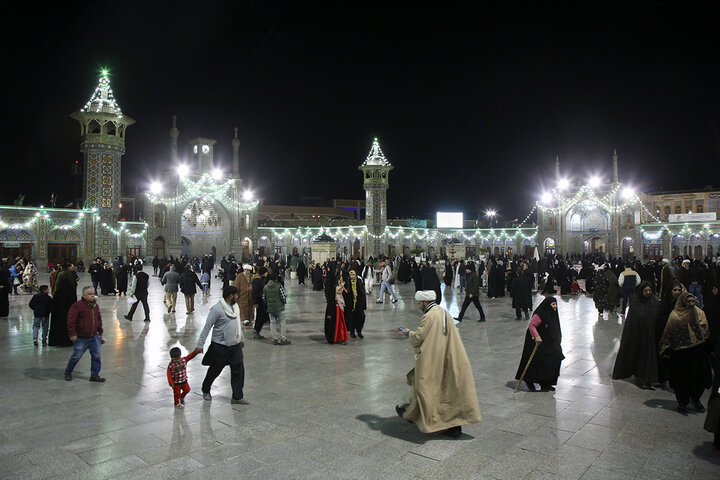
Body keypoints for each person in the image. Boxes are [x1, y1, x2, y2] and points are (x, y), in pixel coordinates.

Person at [396, 290, 482, 437]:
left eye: (419, 303)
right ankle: (454, 427)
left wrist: (408, 332)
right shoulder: (443, 312)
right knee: (449, 391)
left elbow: (419, 337)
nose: (418, 306)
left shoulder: (429, 316)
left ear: (425, 302)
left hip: (434, 359)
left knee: (425, 386)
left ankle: (417, 414)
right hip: (449, 356)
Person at [194, 286, 249, 405]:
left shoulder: (235, 307)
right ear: (230, 296)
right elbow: (207, 327)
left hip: (235, 346)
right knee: (215, 370)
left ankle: (237, 397)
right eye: (236, 295)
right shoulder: (217, 309)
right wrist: (200, 345)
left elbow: (237, 324)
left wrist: (241, 338)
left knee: (238, 370)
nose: (237, 297)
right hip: (220, 346)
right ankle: (206, 389)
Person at [660, 292, 711, 413]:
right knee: (681, 379)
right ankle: (682, 402)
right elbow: (668, 333)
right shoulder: (675, 315)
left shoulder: (698, 312)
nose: (691, 304)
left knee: (699, 378)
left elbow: (705, 329)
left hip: (697, 351)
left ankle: (696, 399)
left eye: (693, 301)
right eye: (689, 302)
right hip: (680, 353)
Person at [611, 281, 660, 389]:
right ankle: (641, 377)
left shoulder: (654, 303)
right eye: (645, 290)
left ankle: (650, 377)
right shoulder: (636, 303)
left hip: (651, 336)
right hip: (639, 337)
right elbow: (632, 321)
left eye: (649, 290)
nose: (648, 292)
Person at [515, 296, 564, 392]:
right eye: (553, 304)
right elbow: (532, 325)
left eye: (555, 304)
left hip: (549, 341)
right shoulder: (541, 314)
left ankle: (546, 383)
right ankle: (530, 380)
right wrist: (537, 336)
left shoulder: (552, 314)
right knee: (539, 362)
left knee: (556, 358)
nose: (555, 307)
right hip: (537, 341)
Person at [64, 286, 105, 382]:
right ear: (84, 295)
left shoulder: (95, 306)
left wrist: (100, 331)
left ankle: (94, 375)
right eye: (89, 294)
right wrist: (72, 334)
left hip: (94, 336)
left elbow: (98, 319)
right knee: (76, 356)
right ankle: (68, 371)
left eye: (93, 294)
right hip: (81, 338)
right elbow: (71, 321)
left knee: (96, 356)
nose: (92, 296)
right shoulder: (77, 306)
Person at [48, 264, 77, 347]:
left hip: (58, 318)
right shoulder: (71, 294)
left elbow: (52, 306)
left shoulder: (58, 295)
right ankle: (68, 341)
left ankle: (57, 341)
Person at [264, 272, 290, 345]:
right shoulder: (279, 286)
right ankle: (283, 338)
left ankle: (274, 339)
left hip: (270, 308)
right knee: (282, 323)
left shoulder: (265, 287)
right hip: (279, 308)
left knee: (272, 323)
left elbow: (264, 298)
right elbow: (283, 297)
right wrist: (283, 303)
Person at [324, 268, 348, 344]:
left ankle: (340, 337)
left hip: (340, 310)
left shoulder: (341, 298)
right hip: (336, 310)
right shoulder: (333, 296)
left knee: (341, 325)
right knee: (337, 325)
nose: (340, 292)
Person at [344, 269, 367, 339]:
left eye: (353, 275)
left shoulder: (359, 282)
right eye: (350, 275)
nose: (352, 276)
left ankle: (359, 331)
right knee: (351, 318)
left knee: (361, 317)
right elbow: (345, 293)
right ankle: (352, 331)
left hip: (359, 304)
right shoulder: (347, 283)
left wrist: (363, 304)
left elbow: (363, 292)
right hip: (350, 304)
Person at [251, 267, 269, 339]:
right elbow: (254, 292)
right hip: (259, 301)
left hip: (261, 301)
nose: (267, 273)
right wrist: (255, 302)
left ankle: (256, 331)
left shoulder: (260, 279)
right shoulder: (257, 280)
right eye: (266, 272)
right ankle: (256, 331)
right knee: (261, 317)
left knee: (261, 316)